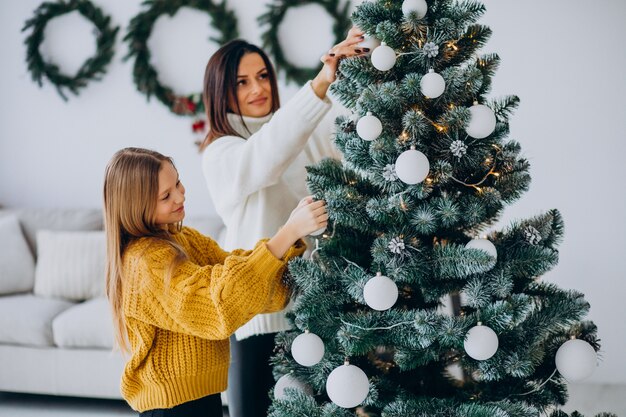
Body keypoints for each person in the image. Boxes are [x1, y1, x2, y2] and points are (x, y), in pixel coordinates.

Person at [199, 27, 365, 417]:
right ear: (220, 90)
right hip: (261, 318)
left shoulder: (299, 126)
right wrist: (321, 80)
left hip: (318, 306)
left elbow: (350, 128)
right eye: (241, 82)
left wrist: (359, 63)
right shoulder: (221, 152)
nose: (257, 88)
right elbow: (268, 155)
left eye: (261, 76)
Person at [103, 147, 327, 416]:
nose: (180, 195)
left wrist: (291, 242)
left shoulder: (185, 238)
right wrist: (287, 232)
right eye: (166, 195)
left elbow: (241, 275)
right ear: (136, 207)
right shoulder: (144, 262)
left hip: (201, 397)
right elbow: (217, 305)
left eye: (177, 182)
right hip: (171, 408)